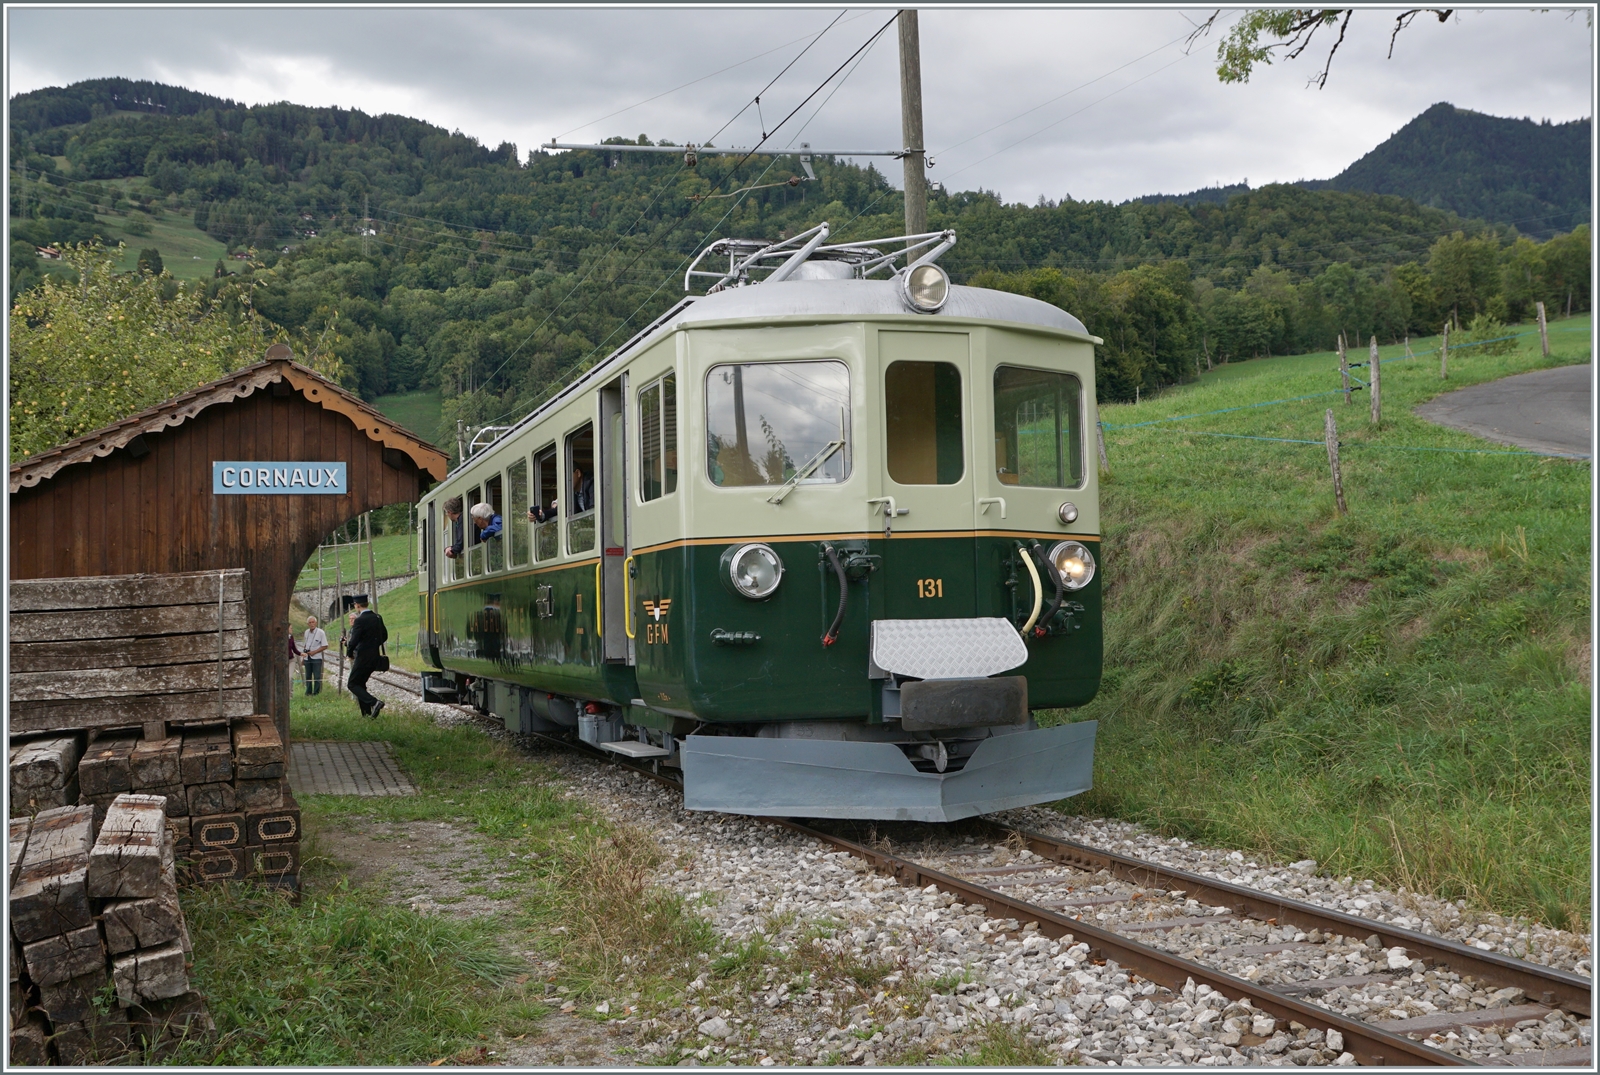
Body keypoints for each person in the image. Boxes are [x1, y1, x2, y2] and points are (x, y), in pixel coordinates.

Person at [345, 595, 388, 718]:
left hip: (363, 657)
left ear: (357, 605)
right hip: (375, 656)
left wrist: (349, 653)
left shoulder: (360, 620)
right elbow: (384, 635)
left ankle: (374, 702)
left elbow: (353, 641)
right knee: (361, 684)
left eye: (354, 605)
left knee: (352, 684)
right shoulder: (377, 617)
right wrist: (373, 645)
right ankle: (367, 714)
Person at [302, 615, 329, 696]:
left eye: (313, 622)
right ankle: (308, 691)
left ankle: (316, 692)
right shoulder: (306, 632)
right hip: (307, 657)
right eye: (310, 623)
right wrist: (303, 657)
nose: (311, 624)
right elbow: (305, 645)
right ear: (308, 624)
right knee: (308, 675)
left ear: (316, 623)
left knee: (317, 676)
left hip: (316, 657)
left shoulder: (321, 632)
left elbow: (325, 645)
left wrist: (314, 652)